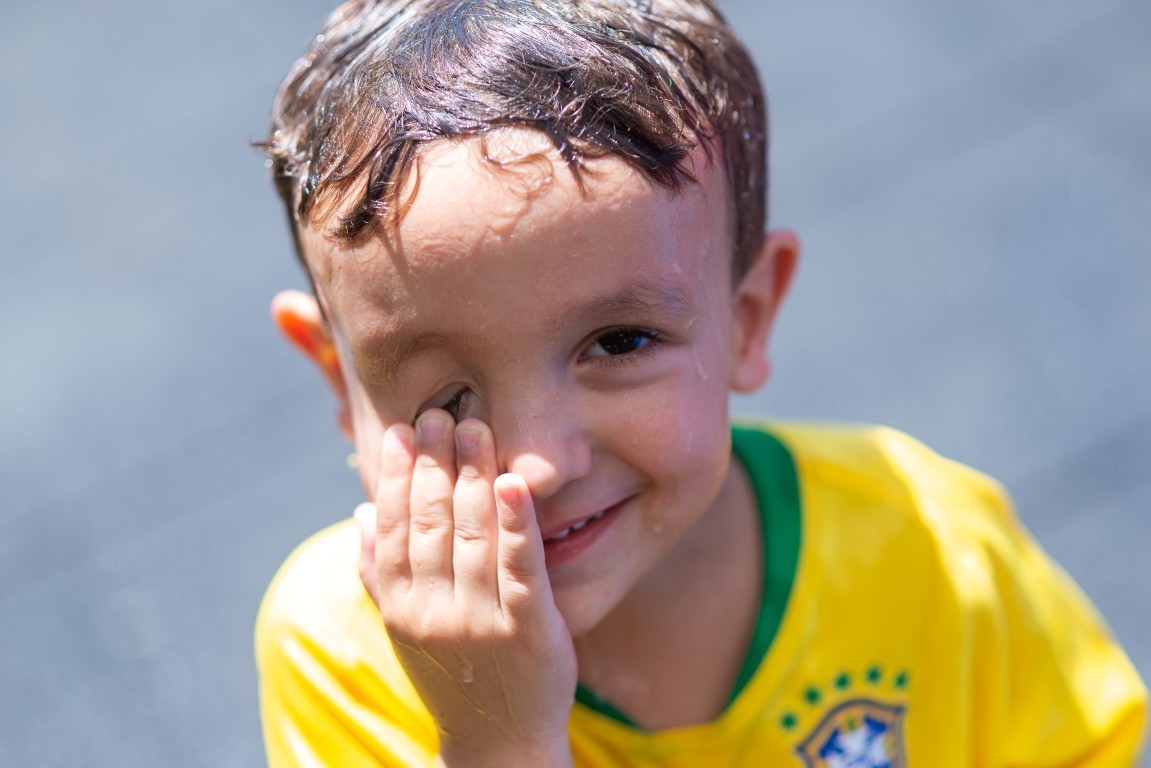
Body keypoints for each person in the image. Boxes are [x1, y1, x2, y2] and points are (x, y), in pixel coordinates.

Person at [254, 0, 1147, 765]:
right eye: (448, 399)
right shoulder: (343, 652)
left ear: (749, 315)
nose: (534, 464)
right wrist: (497, 739)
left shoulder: (930, 547)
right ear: (338, 378)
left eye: (618, 340)